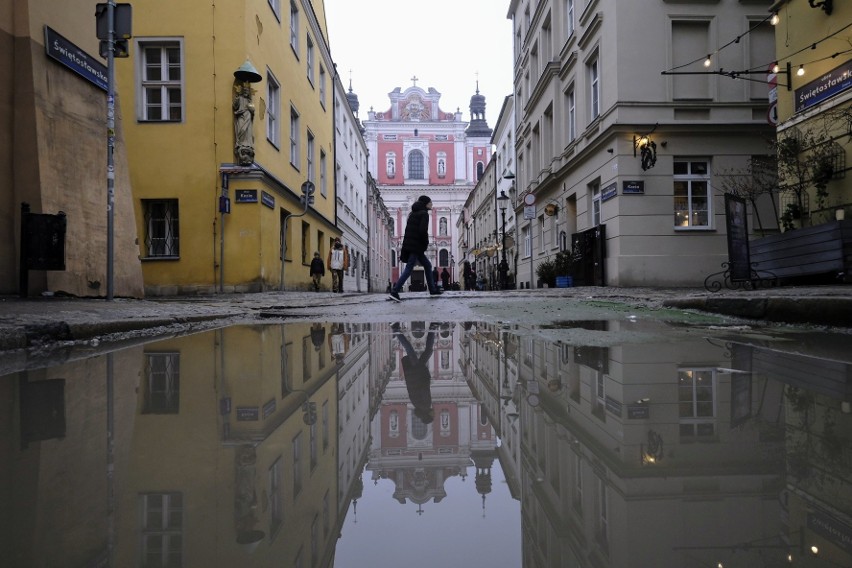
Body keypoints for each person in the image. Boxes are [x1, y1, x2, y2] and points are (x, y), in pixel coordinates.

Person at [389, 195, 441, 301]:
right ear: (425, 203)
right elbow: (422, 231)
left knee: (427, 265)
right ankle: (395, 291)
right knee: (409, 268)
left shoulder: (413, 214)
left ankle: (432, 290)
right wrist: (425, 242)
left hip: (411, 244)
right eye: (430, 202)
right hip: (416, 245)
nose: (432, 204)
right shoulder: (424, 214)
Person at [392, 321, 437, 424]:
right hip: (413, 374)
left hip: (417, 372)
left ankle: (396, 329)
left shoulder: (426, 405)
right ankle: (433, 328)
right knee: (428, 351)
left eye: (433, 416)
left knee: (410, 349)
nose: (434, 414)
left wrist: (427, 375)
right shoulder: (417, 405)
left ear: (428, 415)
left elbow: (424, 388)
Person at [233, 83, 255, 165]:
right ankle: (241, 144)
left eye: (247, 91)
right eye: (245, 90)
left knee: (248, 133)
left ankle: (248, 146)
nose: (246, 92)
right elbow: (235, 106)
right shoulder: (240, 98)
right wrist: (237, 96)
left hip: (248, 118)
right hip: (241, 117)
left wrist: (251, 110)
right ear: (242, 91)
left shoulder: (250, 101)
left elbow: (253, 112)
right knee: (241, 130)